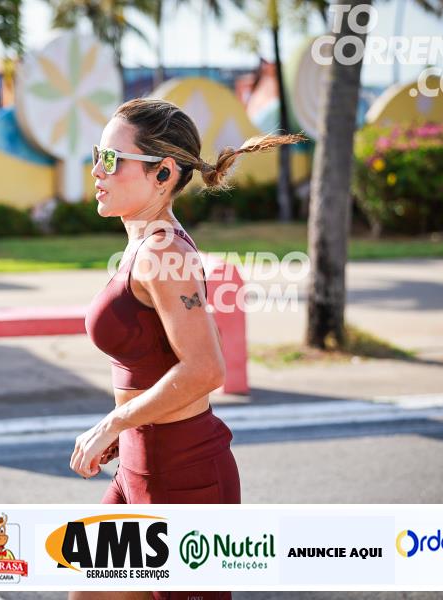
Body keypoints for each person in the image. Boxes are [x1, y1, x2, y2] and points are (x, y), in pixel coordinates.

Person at [73, 98, 304, 600]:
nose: (97, 170)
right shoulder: (148, 244)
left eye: (112, 159)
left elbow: (205, 369)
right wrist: (126, 426)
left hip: (180, 476)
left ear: (163, 174)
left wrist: (114, 422)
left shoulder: (163, 251)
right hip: (138, 465)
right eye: (97, 155)